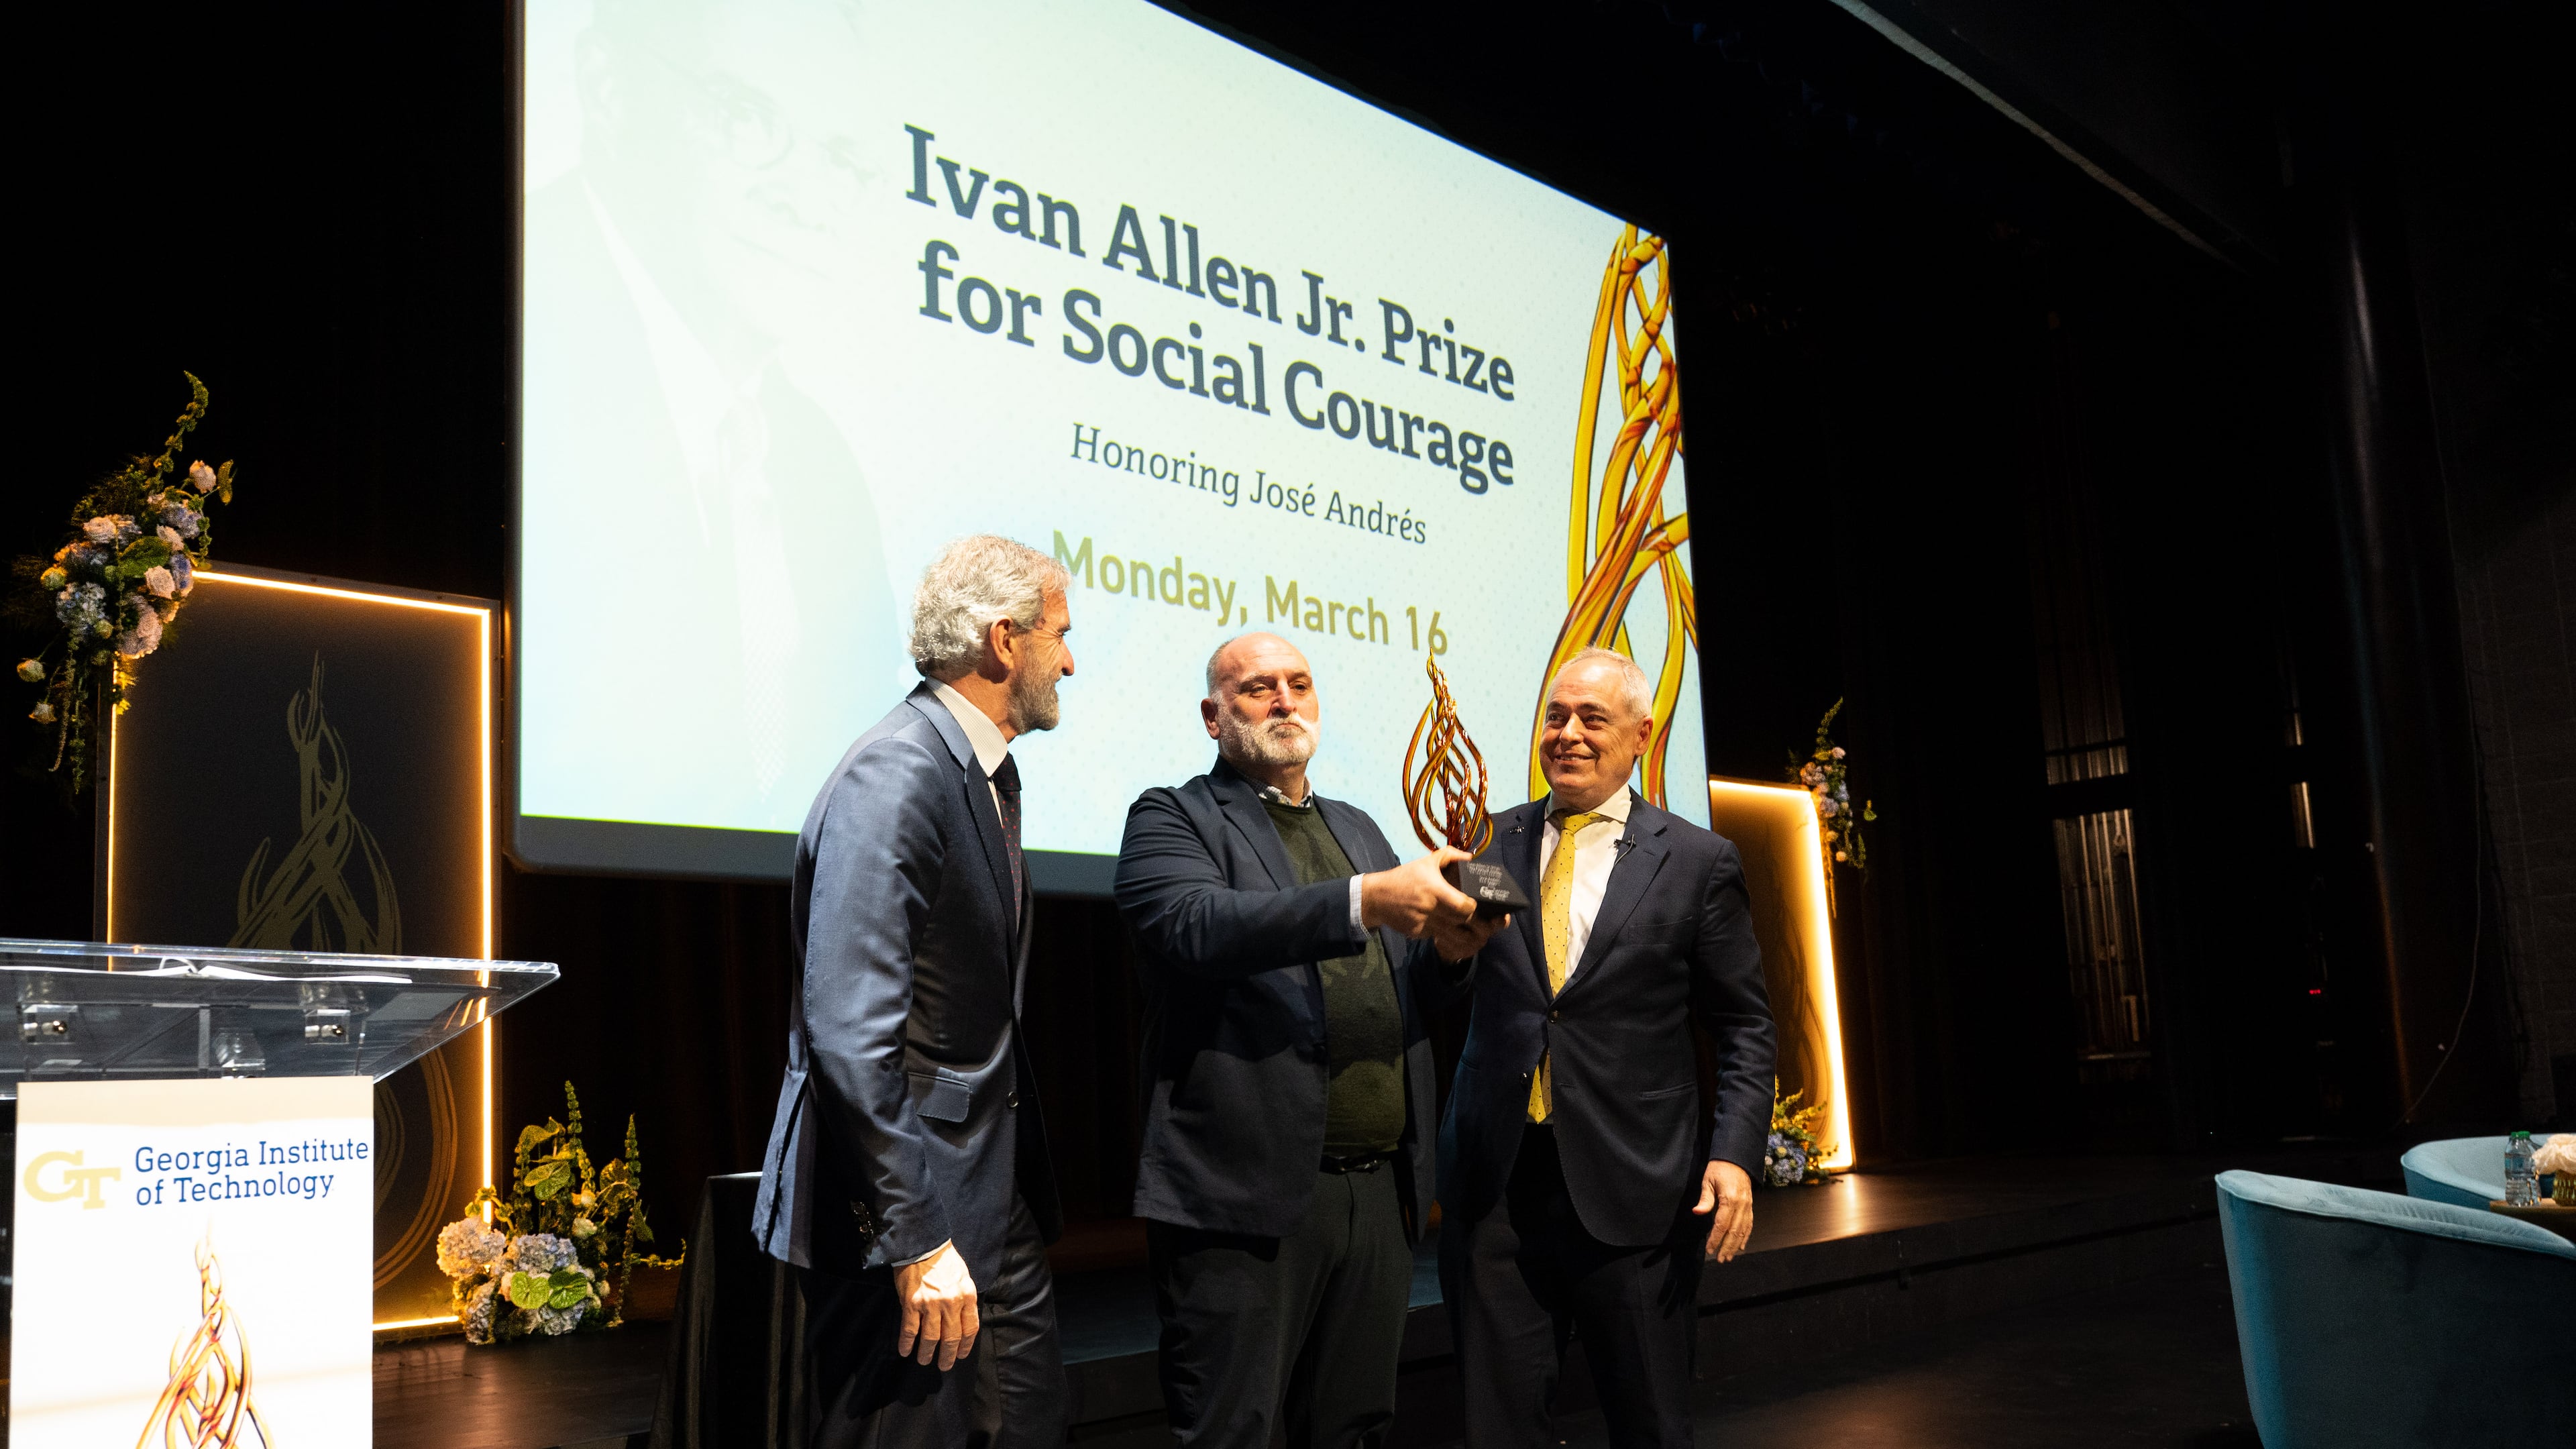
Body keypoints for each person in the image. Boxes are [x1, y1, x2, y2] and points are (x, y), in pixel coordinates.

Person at [1112, 632, 1509, 1448]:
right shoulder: (1172, 816)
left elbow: (1409, 986)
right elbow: (1196, 927)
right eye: (1259, 688)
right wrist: (1363, 900)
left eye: (1299, 683)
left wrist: (1452, 955)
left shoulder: (1356, 827)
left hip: (1378, 1192)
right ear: (1214, 716)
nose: (1284, 700)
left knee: (1354, 1427)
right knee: (1234, 1429)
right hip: (1246, 1198)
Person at [752, 535, 1077, 1448]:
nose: (1070, 662)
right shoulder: (899, 770)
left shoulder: (975, 769)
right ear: (1004, 640)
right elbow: (851, 1030)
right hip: (910, 1215)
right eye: (1059, 636)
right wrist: (918, 1238)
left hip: (987, 1192)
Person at [1438, 647, 1777, 1448]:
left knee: (1651, 1423)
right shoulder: (1489, 842)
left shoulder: (1696, 860)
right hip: (1497, 1187)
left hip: (1635, 1189)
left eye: (1592, 718)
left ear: (1641, 736)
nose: (1568, 734)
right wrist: (1447, 954)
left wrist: (1734, 1155)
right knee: (1497, 1429)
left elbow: (1744, 1025)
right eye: (1556, 716)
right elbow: (1448, 986)